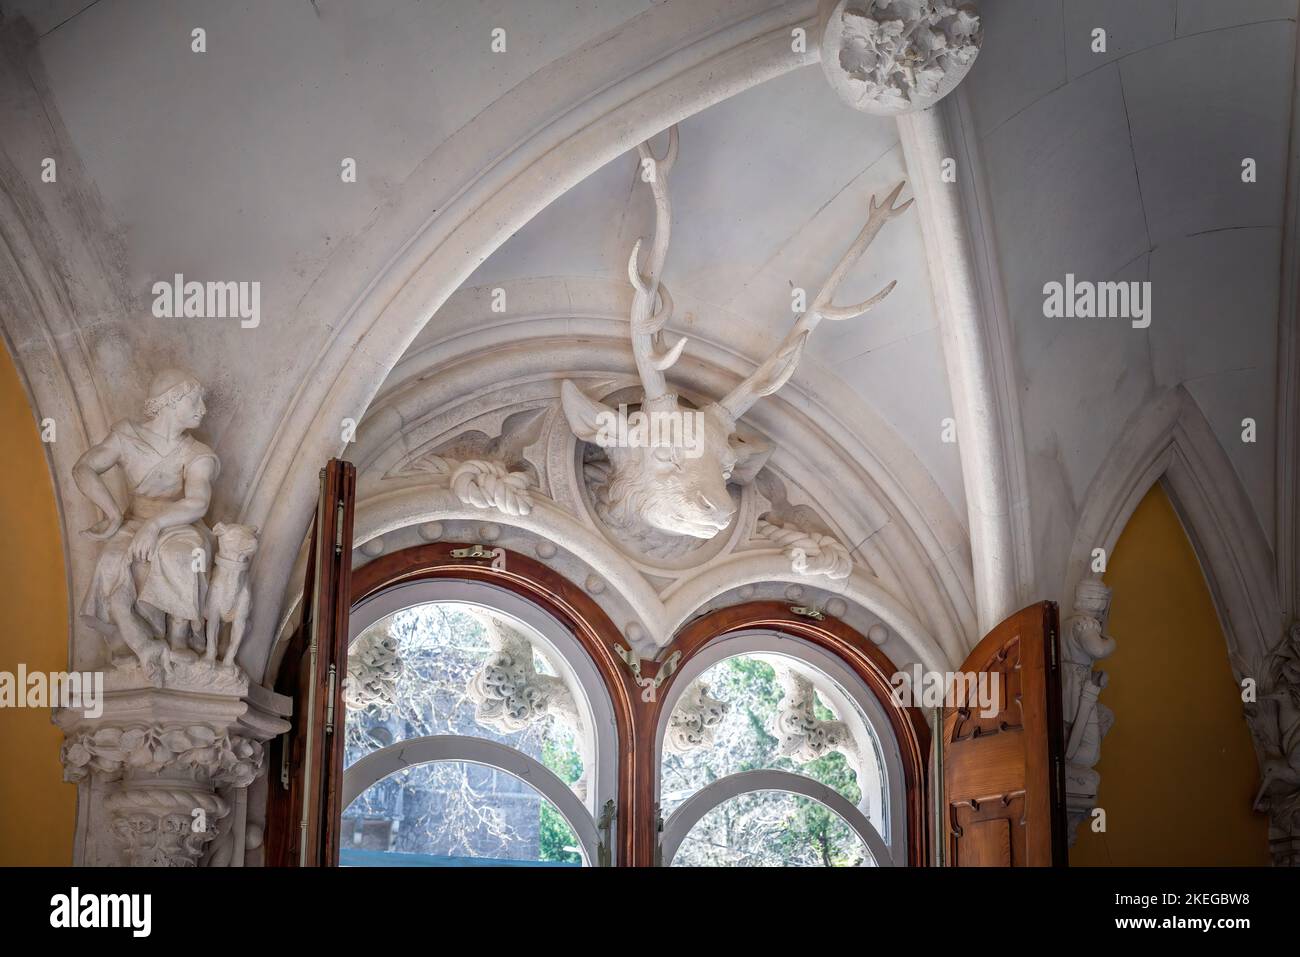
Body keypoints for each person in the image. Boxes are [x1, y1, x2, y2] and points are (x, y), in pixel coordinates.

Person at [73, 369, 219, 676]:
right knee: (112, 562)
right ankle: (129, 644)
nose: (202, 409)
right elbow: (84, 468)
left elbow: (197, 503)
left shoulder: (197, 453)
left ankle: (179, 638)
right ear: (170, 402)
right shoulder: (126, 436)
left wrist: (153, 528)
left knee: (178, 556)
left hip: (181, 525)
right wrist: (112, 513)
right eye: (195, 400)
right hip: (133, 521)